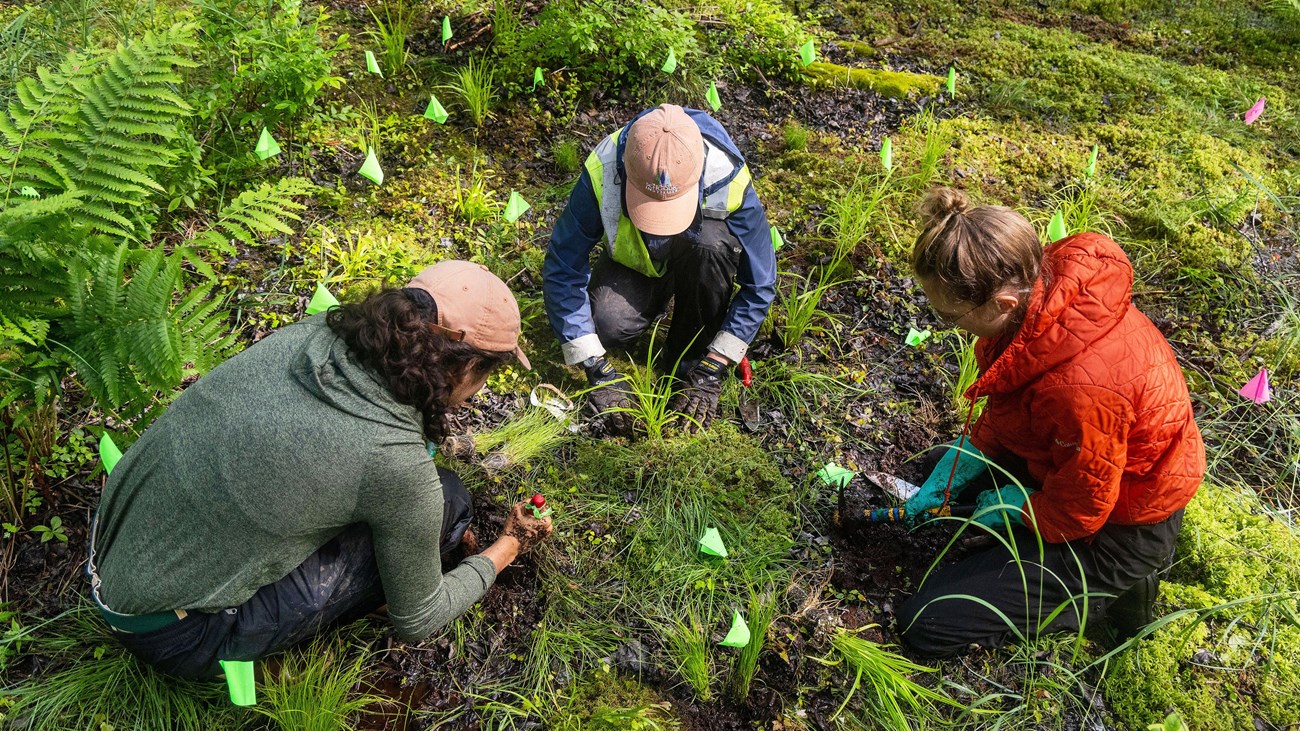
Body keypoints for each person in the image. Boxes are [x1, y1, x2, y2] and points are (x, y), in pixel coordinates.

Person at [87, 261, 553, 679]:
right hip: (176, 634)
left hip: (112, 547)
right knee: (449, 501)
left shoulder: (312, 334)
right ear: (467, 367)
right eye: (487, 375)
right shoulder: (394, 463)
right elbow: (419, 620)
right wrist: (508, 546)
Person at [896, 188, 1205, 657]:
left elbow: (1082, 509)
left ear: (999, 302)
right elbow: (1017, 402)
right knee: (942, 466)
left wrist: (1019, 511)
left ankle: (1118, 594)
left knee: (927, 623)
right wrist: (973, 454)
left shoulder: (1080, 390)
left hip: (1122, 524)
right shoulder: (1043, 299)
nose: (946, 324)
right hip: (1083, 465)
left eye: (949, 314)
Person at [542, 103, 777, 433]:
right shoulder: (604, 167)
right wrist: (595, 366)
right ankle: (652, 300)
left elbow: (760, 284)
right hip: (636, 264)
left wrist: (717, 362)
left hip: (700, 258)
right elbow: (563, 266)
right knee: (605, 326)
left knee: (711, 245)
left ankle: (688, 356)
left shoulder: (726, 174)